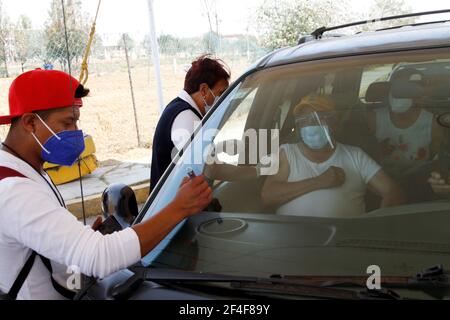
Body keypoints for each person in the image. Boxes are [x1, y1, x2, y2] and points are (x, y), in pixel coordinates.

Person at [0, 69, 212, 300]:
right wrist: (179, 208)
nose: (76, 133)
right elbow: (100, 258)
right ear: (30, 122)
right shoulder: (13, 190)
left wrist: (76, 241)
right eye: (68, 122)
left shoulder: (28, 168)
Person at [261, 94, 405, 218]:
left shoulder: (355, 155)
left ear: (334, 123)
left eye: (318, 119)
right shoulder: (287, 153)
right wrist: (319, 181)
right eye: (304, 121)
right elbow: (268, 195)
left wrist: (374, 229)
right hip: (288, 243)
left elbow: (392, 192)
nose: (310, 125)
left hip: (341, 245)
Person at [150, 55, 230, 189]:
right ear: (204, 90)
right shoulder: (185, 117)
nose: (224, 101)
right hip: (172, 206)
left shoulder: (179, 108)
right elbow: (211, 167)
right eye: (221, 94)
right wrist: (257, 171)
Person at [367, 67, 444, 200]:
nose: (398, 95)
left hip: (419, 186)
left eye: (405, 90)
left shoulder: (432, 123)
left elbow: (437, 163)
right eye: (396, 89)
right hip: (380, 187)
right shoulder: (373, 118)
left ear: (418, 96)